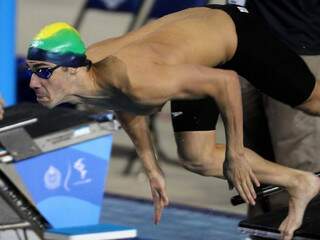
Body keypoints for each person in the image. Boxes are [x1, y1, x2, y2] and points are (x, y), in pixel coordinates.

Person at [26, 4, 320, 240]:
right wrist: (152, 167)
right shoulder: (89, 73)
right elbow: (121, 101)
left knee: (312, 103)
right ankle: (301, 182)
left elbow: (225, 82)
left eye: (43, 71)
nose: (33, 82)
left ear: (72, 70)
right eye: (31, 71)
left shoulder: (140, 81)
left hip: (235, 33)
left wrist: (236, 152)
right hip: (192, 51)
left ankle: (293, 177)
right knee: (197, 158)